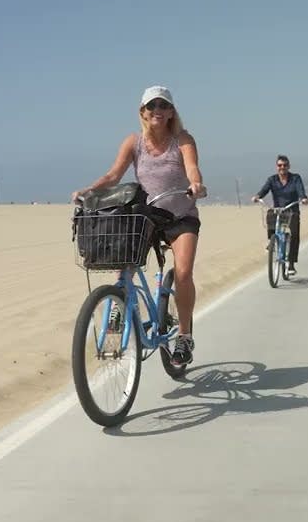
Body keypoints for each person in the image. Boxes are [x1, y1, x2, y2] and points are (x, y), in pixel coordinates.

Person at [72, 85, 208, 364]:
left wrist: (195, 184)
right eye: (151, 106)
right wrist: (90, 190)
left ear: (171, 112)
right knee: (123, 275)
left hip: (181, 216)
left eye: (163, 105)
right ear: (142, 112)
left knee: (182, 273)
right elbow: (113, 175)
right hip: (146, 217)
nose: (157, 110)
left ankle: (184, 336)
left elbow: (192, 167)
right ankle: (113, 334)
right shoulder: (133, 142)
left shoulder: (182, 140)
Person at [252, 155, 308, 275]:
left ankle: (291, 264)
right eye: (279, 165)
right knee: (270, 214)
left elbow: (300, 190)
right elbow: (264, 190)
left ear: (288, 166)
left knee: (294, 234)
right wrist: (257, 196)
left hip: (291, 209)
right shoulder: (272, 179)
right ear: (276, 167)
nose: (282, 167)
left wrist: (303, 198)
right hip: (278, 209)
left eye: (284, 165)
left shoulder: (295, 178)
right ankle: (272, 241)